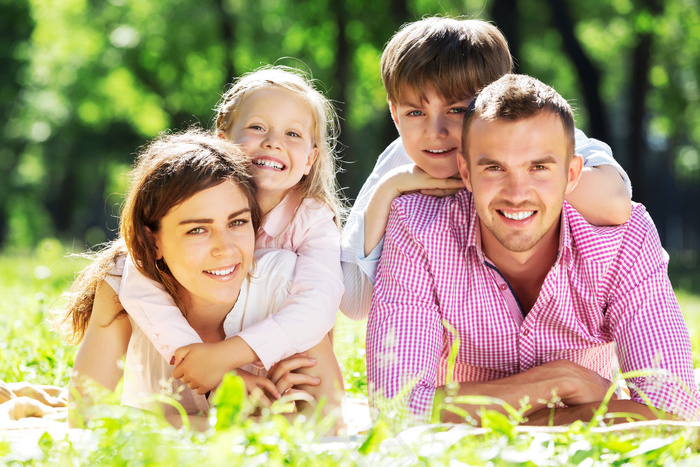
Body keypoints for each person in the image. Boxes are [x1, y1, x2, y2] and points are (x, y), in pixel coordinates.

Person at [366, 74, 700, 425]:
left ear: (572, 174)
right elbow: (395, 408)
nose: (517, 192)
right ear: (465, 171)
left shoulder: (623, 239)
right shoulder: (418, 228)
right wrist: (565, 381)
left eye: (538, 168)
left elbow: (676, 413)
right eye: (494, 168)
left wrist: (503, 418)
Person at [340, 17, 633, 320]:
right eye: (415, 111)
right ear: (395, 114)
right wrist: (390, 187)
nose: (435, 131)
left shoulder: (542, 139)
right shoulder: (401, 160)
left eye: (455, 110)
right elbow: (353, 301)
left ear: (496, 104)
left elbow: (616, 205)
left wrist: (523, 172)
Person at [62, 130, 343, 429]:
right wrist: (257, 422)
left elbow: (330, 426)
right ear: (152, 239)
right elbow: (86, 418)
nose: (225, 249)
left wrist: (155, 423)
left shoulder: (285, 284)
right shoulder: (120, 285)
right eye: (198, 229)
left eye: (237, 222)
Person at [116, 67, 345, 395]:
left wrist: (227, 356)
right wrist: (200, 360)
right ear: (222, 139)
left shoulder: (313, 221)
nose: (273, 142)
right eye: (257, 127)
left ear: (310, 159)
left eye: (292, 134)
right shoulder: (193, 199)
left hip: (284, 361)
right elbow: (139, 275)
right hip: (198, 362)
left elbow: (316, 305)